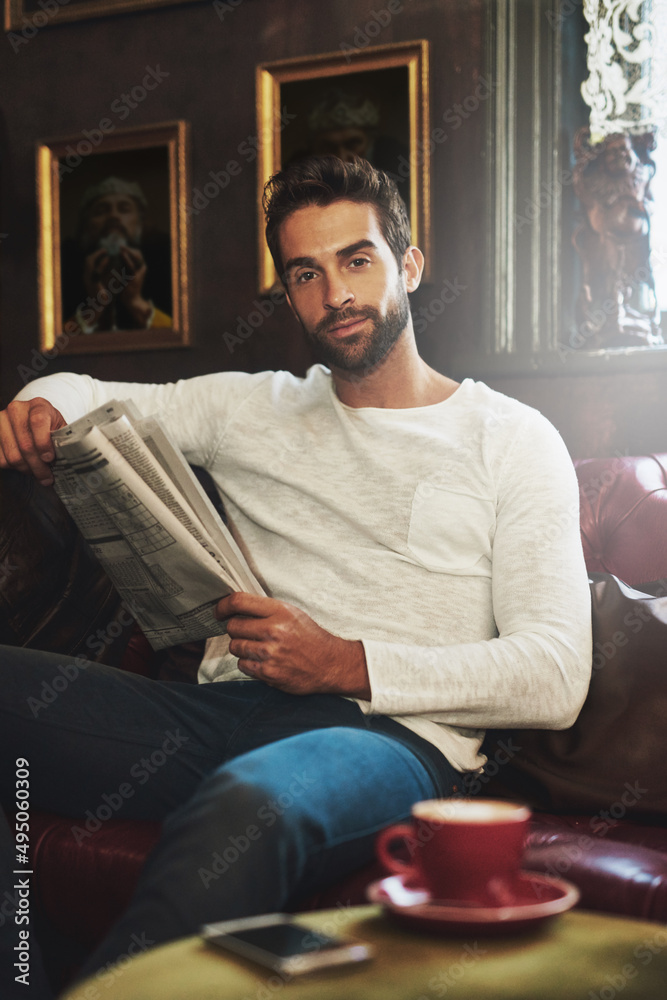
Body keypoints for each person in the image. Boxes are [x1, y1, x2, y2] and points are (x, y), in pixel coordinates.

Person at [0, 156, 592, 999]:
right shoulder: (253, 406)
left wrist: (345, 662)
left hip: (390, 738)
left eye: (357, 260)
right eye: (306, 274)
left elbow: (555, 673)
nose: (335, 294)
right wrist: (38, 403)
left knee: (252, 801)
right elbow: (81, 387)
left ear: (409, 265)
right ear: (288, 293)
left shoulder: (511, 437)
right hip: (220, 711)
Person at [60, 176, 173, 335]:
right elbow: (53, 347)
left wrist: (135, 302)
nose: (113, 216)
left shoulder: (166, 268)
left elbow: (181, 341)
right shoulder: (63, 272)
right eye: (101, 211)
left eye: (124, 209)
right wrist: (94, 307)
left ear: (139, 222)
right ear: (87, 226)